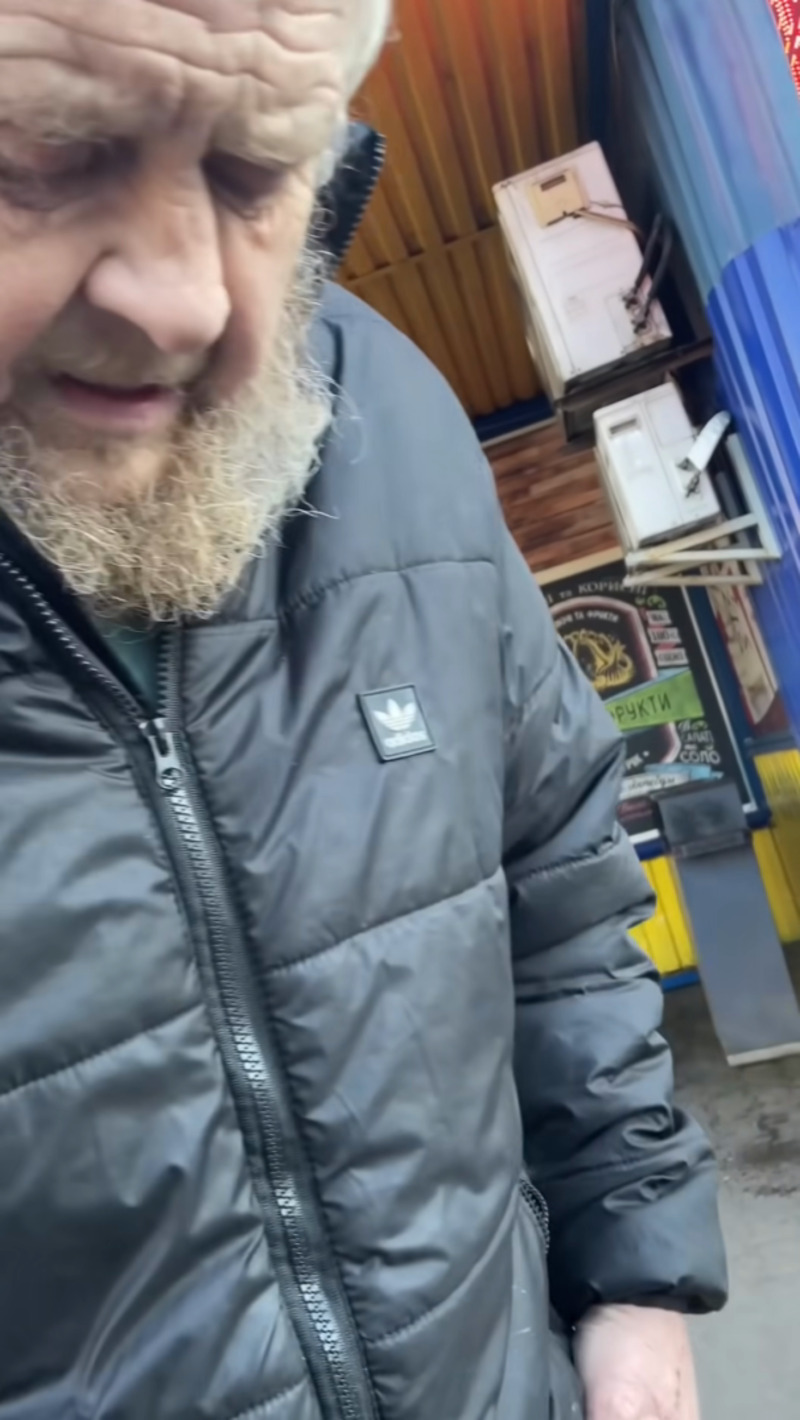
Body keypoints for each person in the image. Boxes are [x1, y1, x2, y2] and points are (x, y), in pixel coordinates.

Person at [0, 3, 726, 1418]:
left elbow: (557, 884)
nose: (189, 303)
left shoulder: (385, 406)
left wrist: (635, 1280)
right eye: (48, 148)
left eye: (252, 172)